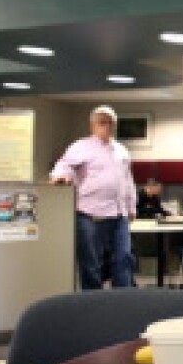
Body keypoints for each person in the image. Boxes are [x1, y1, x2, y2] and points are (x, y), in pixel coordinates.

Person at [51, 105, 137, 289]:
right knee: (91, 263)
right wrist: (60, 177)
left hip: (119, 214)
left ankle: (124, 300)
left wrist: (131, 207)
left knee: (124, 258)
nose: (106, 126)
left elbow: (127, 180)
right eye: (102, 122)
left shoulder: (121, 150)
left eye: (110, 123)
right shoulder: (81, 147)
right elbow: (64, 165)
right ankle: (92, 301)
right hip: (90, 214)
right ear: (92, 126)